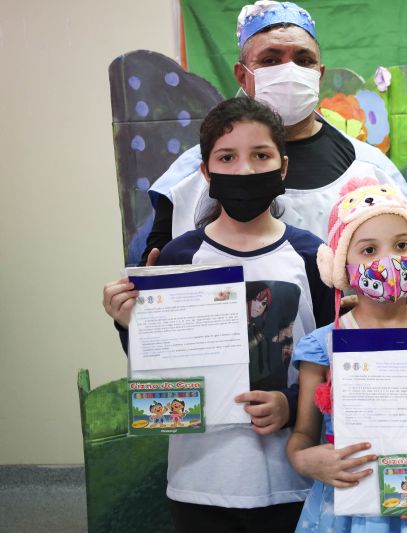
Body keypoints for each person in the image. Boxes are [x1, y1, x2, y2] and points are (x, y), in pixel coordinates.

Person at [104, 97, 334, 532]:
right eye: (227, 157)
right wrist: (126, 320)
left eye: (260, 156)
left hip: (291, 481)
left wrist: (289, 403)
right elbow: (156, 367)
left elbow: (328, 362)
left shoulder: (312, 257)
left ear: (282, 168)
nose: (245, 170)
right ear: (207, 173)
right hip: (199, 478)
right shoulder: (181, 254)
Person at [141, 0, 407, 265]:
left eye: (303, 60)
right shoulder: (190, 178)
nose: (289, 71)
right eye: (271, 60)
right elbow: (155, 275)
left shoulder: (370, 170)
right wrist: (130, 309)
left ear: (319, 74)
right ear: (242, 75)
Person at [286, 178, 407, 532]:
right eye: (369, 250)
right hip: (338, 515)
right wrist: (303, 459)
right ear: (340, 265)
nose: (389, 261)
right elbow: (302, 435)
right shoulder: (323, 347)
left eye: (402, 245)